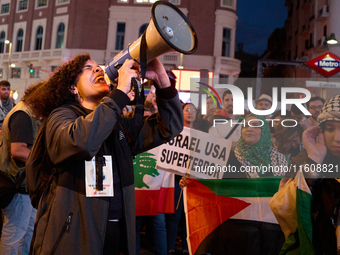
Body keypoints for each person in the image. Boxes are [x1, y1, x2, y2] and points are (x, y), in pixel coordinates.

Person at [25, 54, 183, 255]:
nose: (98, 69)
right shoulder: (61, 116)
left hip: (115, 233)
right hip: (74, 237)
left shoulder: (115, 123)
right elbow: (81, 142)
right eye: (88, 68)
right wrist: (118, 96)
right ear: (73, 88)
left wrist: (162, 80)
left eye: (97, 66)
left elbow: (168, 127)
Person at [282, 94, 340, 254]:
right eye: (330, 129)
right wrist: (314, 160)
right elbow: (286, 206)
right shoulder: (306, 158)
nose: (337, 138)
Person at [0, 82, 43, 254]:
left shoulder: (24, 112)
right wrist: (44, 161)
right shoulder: (23, 114)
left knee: (25, 234)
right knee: (14, 235)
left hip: (24, 185)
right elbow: (18, 150)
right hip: (18, 185)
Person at [224, 114, 288, 178]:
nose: (249, 129)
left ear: (264, 131)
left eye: (256, 126)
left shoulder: (279, 158)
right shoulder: (229, 159)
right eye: (245, 126)